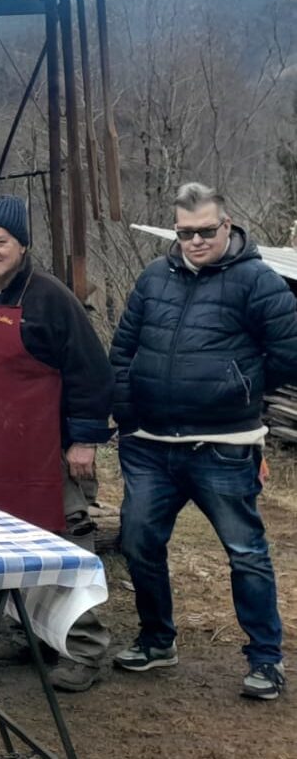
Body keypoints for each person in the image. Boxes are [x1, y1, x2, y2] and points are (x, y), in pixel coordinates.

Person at [109, 182, 297, 701]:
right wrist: (126, 413)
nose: (195, 241)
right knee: (140, 543)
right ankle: (156, 640)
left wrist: (241, 386)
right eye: (185, 232)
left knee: (246, 553)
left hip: (223, 445)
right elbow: (123, 348)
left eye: (205, 231)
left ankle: (265, 659)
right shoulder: (153, 277)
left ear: (227, 225)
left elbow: (289, 353)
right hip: (149, 443)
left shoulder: (258, 281)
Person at [0, 195, 113, 692]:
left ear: (22, 244)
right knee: (7, 550)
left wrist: (83, 440)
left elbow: (92, 372)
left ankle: (84, 648)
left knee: (63, 549)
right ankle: (32, 634)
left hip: (46, 452)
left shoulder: (51, 296)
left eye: (0, 242)